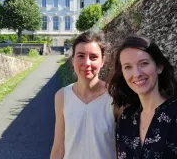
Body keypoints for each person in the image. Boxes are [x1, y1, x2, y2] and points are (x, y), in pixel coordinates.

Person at [107, 34, 177, 159]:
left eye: (144, 63)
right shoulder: (126, 119)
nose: (137, 73)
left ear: (159, 67)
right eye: (128, 67)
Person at [50, 31, 117, 159]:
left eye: (93, 57)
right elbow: (58, 147)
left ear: (102, 61)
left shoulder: (114, 96)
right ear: (73, 59)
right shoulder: (62, 96)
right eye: (81, 56)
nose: (87, 63)